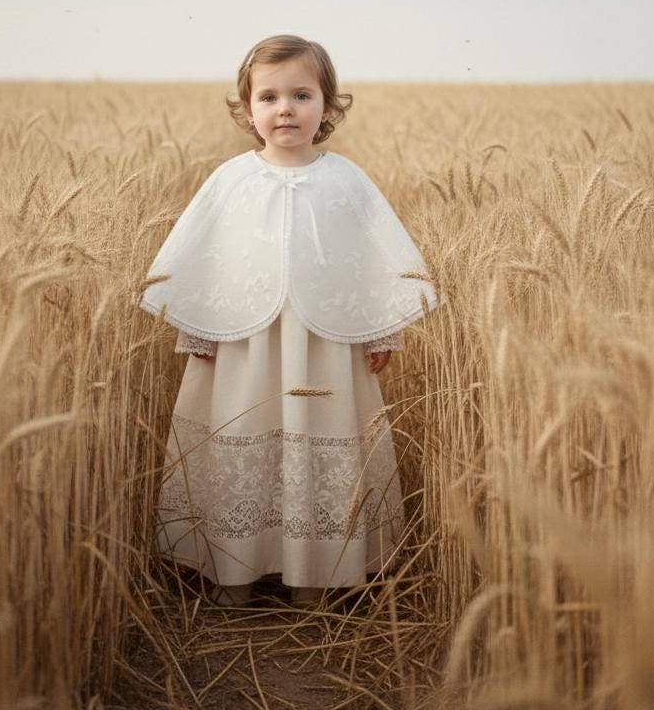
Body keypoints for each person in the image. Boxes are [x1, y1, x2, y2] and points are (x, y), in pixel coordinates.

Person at [138, 34, 437, 607]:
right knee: (238, 436)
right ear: (247, 108)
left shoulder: (346, 179)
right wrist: (198, 327)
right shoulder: (230, 179)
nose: (285, 109)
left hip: (323, 345)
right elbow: (203, 259)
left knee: (318, 440)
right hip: (244, 345)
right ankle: (233, 577)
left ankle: (314, 580)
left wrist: (379, 328)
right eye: (269, 97)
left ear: (328, 106)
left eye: (302, 95)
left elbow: (374, 260)